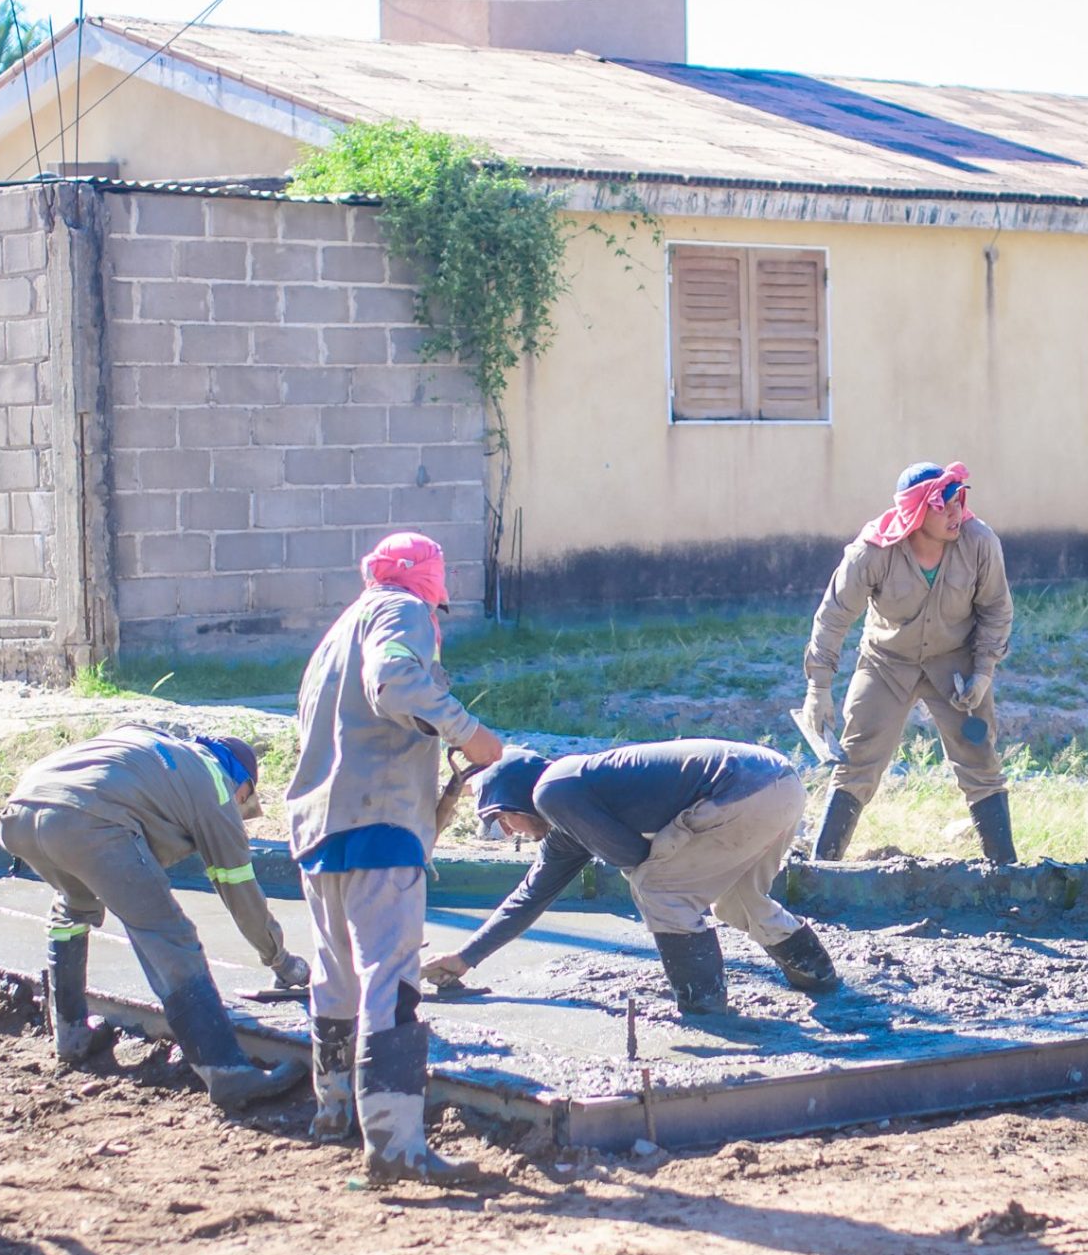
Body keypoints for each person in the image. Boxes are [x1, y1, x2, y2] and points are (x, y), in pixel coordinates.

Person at [286, 531, 505, 1187]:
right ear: (429, 581)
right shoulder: (401, 611)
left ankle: (333, 1114)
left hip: (319, 825)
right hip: (380, 817)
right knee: (391, 978)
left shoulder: (334, 635)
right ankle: (396, 1144)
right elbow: (393, 681)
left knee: (337, 976)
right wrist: (472, 735)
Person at [0, 722, 309, 1112]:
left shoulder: (158, 753)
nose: (242, 806)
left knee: (72, 907)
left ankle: (71, 1035)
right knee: (169, 936)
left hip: (21, 812)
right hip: (88, 819)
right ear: (241, 782)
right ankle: (226, 1071)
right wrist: (280, 959)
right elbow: (239, 890)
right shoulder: (215, 784)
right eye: (246, 798)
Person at [427, 741, 838, 1014]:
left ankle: (704, 1003)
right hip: (779, 784)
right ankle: (814, 972)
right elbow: (531, 896)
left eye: (502, 817)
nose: (508, 831)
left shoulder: (552, 791)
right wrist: (465, 959)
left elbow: (633, 857)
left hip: (739, 793)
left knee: (656, 886)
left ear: (517, 797)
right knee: (735, 898)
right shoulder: (571, 799)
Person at [802, 463, 1015, 864]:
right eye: (944, 506)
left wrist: (984, 671)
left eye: (960, 502)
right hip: (886, 662)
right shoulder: (871, 552)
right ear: (917, 512)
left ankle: (1006, 874)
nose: (957, 514)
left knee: (980, 762)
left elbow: (997, 610)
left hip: (956, 662)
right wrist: (818, 688)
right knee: (856, 761)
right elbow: (833, 616)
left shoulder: (979, 542)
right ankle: (821, 868)